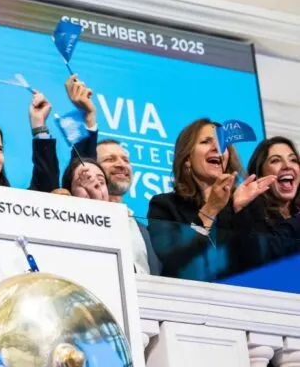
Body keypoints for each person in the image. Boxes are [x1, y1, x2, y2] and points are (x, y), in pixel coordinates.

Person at [147, 118, 274, 281]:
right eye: (206, 142)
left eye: (222, 144)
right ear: (187, 159)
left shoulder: (244, 206)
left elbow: (259, 266)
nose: (217, 148)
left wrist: (238, 211)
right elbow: (172, 260)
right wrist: (210, 210)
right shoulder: (165, 206)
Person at [94, 139, 162, 275]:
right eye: (110, 159)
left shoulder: (147, 232)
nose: (121, 164)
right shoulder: (83, 223)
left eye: (126, 160)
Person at [232, 136, 300, 269]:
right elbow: (262, 256)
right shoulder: (249, 213)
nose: (287, 166)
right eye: (275, 161)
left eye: (293, 160)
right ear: (260, 174)